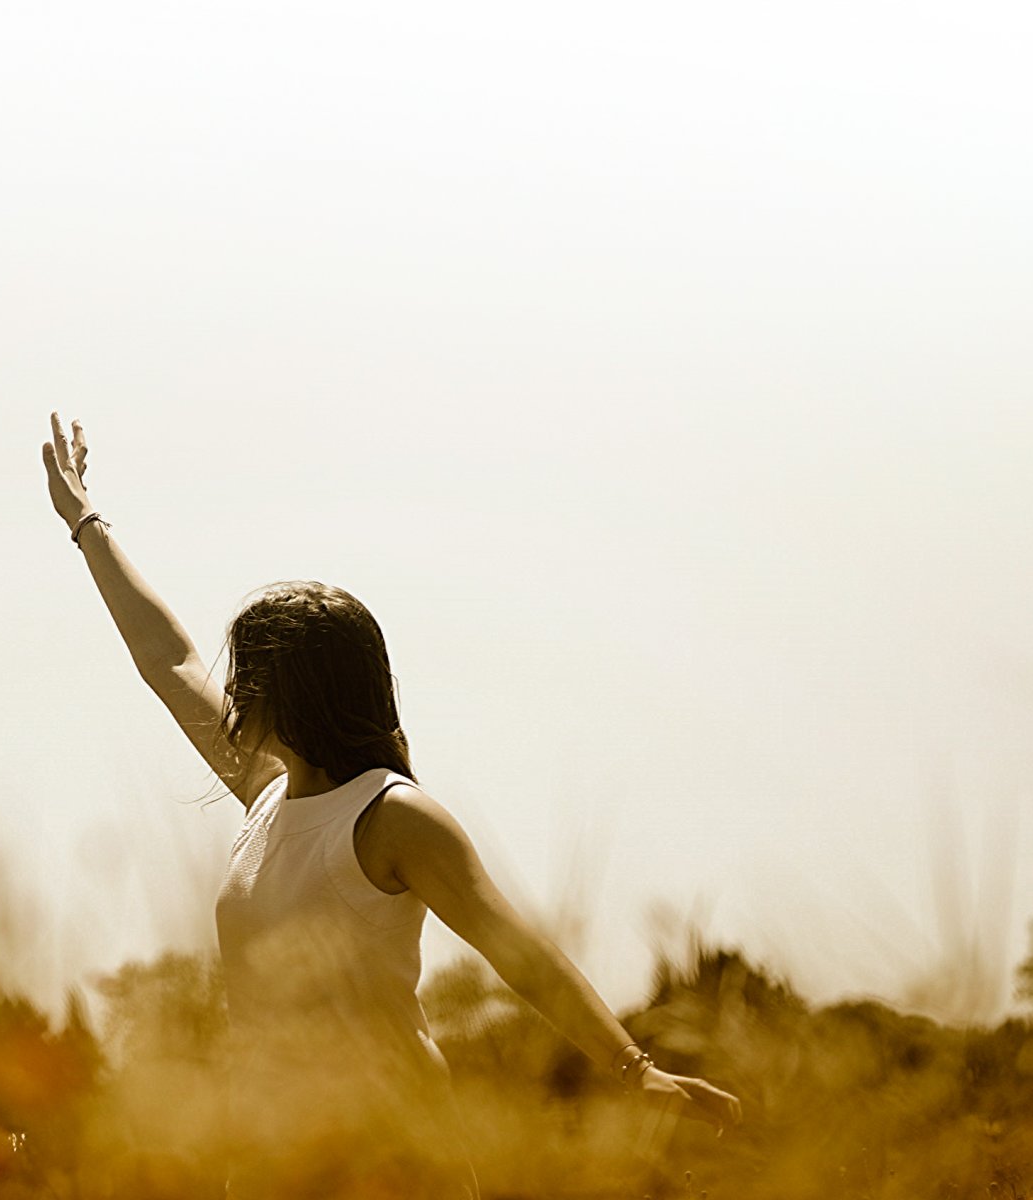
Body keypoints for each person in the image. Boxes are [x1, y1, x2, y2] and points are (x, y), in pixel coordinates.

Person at [38, 412, 740, 1196]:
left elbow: (514, 949)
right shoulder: (266, 798)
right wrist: (84, 522)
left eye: (247, 675)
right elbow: (165, 659)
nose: (228, 689)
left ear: (293, 691)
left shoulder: (390, 816)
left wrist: (629, 1068)